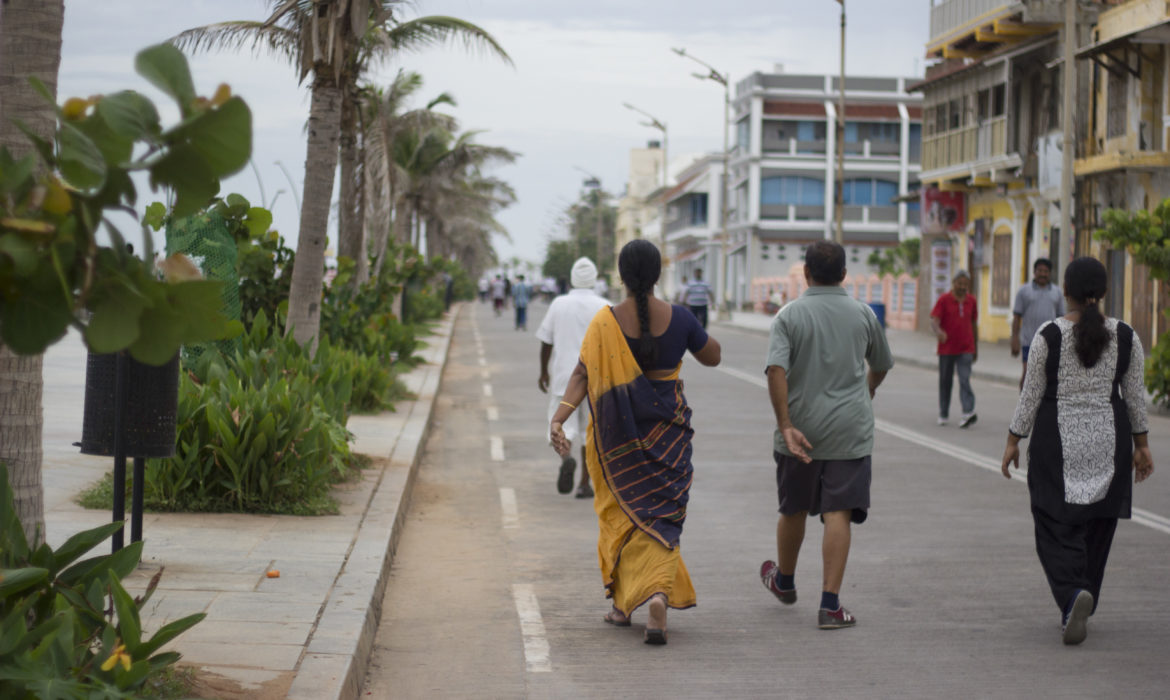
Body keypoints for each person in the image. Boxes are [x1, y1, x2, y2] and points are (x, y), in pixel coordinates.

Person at [549, 239, 721, 645]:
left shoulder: (606, 322)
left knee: (622, 515)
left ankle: (623, 606)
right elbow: (713, 356)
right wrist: (694, 330)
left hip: (617, 442)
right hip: (668, 439)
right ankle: (657, 594)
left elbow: (580, 374)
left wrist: (559, 419)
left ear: (622, 277)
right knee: (661, 519)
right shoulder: (679, 319)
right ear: (658, 275)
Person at [1000, 256, 1154, 645]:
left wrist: (1013, 439)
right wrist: (1142, 445)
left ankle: (1071, 595)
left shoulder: (1049, 335)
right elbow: (1135, 395)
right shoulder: (1125, 336)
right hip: (1110, 441)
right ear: (1103, 293)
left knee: (1053, 521)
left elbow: (1031, 393)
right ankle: (1085, 595)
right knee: (1099, 524)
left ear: (1064, 291)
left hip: (1057, 442)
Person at [759, 240, 892, 630]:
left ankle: (784, 581)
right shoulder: (863, 313)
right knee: (839, 512)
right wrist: (866, 390)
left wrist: (785, 424)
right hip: (850, 430)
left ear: (806, 273)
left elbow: (775, 371)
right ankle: (830, 605)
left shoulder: (788, 316)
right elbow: (881, 363)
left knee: (793, 507)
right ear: (845, 275)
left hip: (800, 429)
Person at [536, 258, 609, 498]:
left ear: (572, 276)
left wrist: (543, 370)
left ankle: (566, 457)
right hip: (596, 380)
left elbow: (546, 340)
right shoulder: (605, 306)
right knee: (591, 431)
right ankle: (583, 484)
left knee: (561, 426)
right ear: (595, 277)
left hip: (564, 379)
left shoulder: (559, 303)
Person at [930, 270, 978, 427]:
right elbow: (934, 321)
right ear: (954, 283)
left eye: (966, 284)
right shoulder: (944, 300)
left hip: (966, 347)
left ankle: (967, 412)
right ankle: (943, 413)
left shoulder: (972, 301)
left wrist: (975, 347)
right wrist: (939, 332)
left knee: (965, 379)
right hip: (947, 348)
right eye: (960, 283)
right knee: (945, 381)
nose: (963, 287)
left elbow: (973, 324)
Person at [1011, 258, 1065, 389]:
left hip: (1050, 343)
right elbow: (1016, 317)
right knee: (1027, 375)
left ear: (1050, 273)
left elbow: (1061, 319)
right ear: (1034, 272)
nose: (1043, 274)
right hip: (1029, 342)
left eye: (1046, 271)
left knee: (1048, 377)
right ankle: (1024, 405)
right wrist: (1014, 340)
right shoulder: (1024, 291)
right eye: (1040, 270)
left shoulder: (1057, 292)